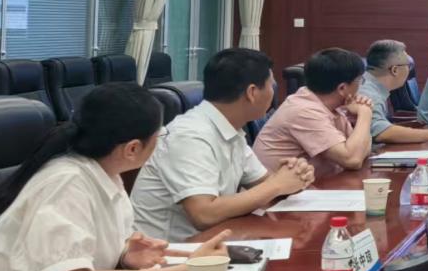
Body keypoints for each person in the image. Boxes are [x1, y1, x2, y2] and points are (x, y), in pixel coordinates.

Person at [0, 83, 230, 271]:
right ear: (132, 149)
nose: (160, 142)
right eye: (159, 136)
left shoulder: (105, 173)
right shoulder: (67, 182)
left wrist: (123, 256)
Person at [132, 48, 314, 241]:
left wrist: (294, 176)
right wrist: (277, 185)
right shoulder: (189, 136)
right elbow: (204, 214)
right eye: (271, 86)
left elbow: (265, 184)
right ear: (252, 92)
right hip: (168, 251)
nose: (273, 93)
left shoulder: (231, 129)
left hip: (213, 242)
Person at [254, 47, 374, 179]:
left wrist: (358, 120)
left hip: (314, 185)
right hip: (280, 190)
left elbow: (362, 150)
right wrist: (365, 113)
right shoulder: (303, 111)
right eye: (359, 81)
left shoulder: (331, 104)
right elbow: (353, 160)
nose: (360, 86)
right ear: (342, 88)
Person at [358, 40, 428, 146]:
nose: (409, 70)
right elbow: (381, 133)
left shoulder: (372, 85)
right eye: (409, 66)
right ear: (395, 70)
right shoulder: (368, 92)